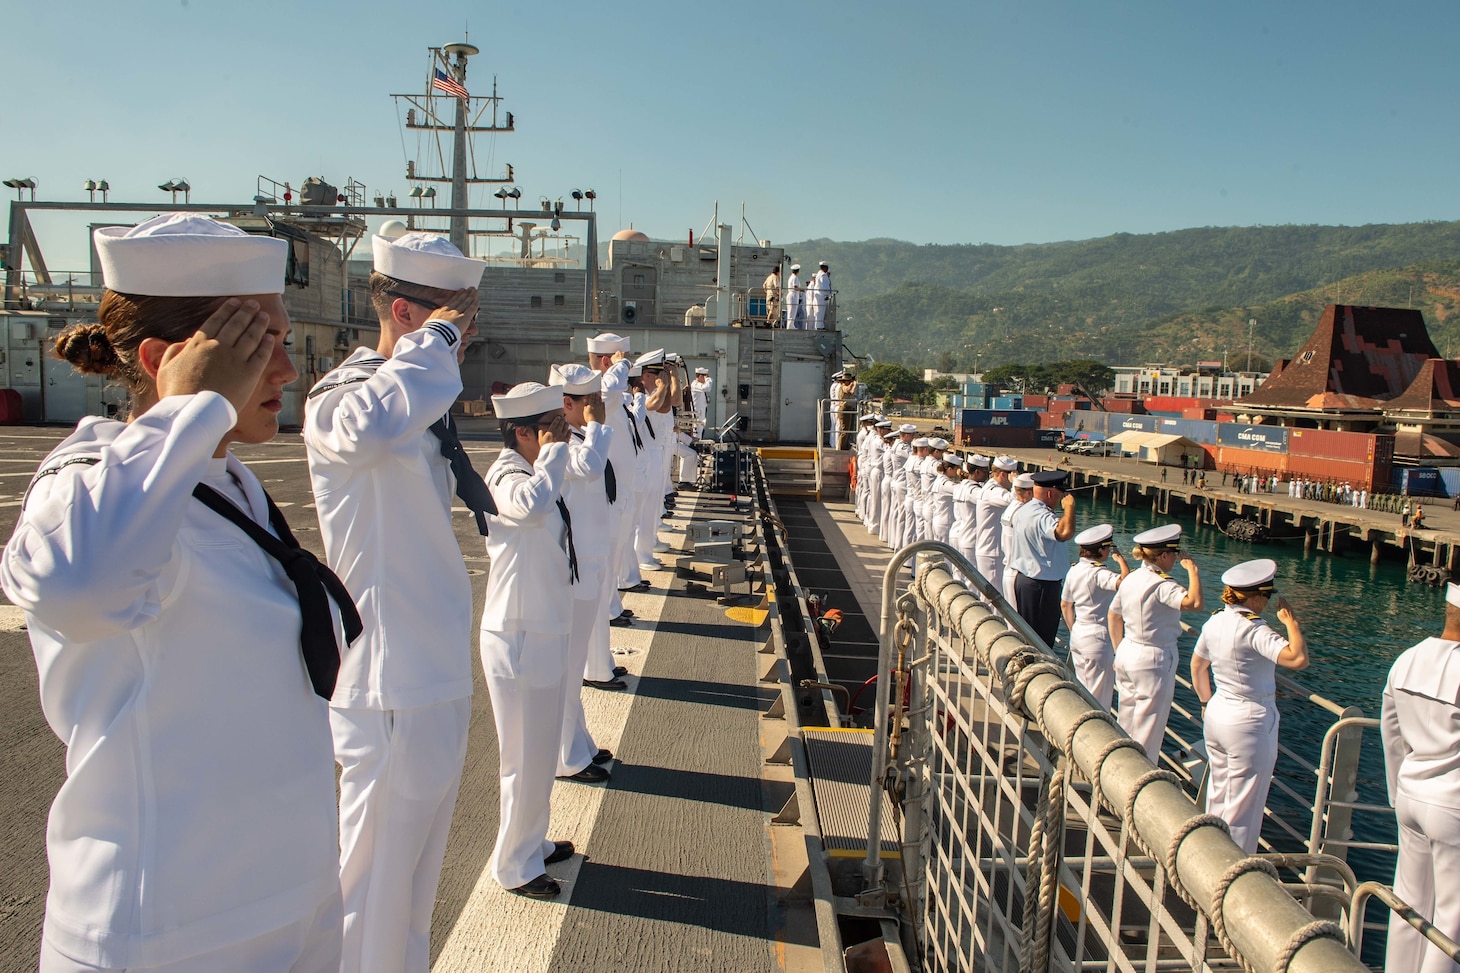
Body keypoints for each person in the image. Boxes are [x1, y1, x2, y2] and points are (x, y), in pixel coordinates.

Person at [3, 215, 357, 972]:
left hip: (292, 904)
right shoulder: (90, 486)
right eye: (261, 349)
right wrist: (185, 411)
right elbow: (78, 584)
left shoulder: (228, 479)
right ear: (171, 362)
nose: (288, 372)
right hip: (166, 933)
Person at [304, 231, 483, 973]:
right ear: (406, 313)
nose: (461, 346)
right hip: (385, 685)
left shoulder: (417, 401)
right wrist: (438, 337)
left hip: (432, 675)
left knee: (410, 909)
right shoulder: (344, 397)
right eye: (455, 326)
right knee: (371, 904)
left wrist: (431, 341)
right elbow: (369, 425)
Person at [480, 382, 579, 900]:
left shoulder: (535, 469)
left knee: (539, 753)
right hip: (518, 634)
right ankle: (514, 865)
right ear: (523, 431)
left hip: (542, 626)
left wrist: (557, 450)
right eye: (551, 427)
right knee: (521, 757)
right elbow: (533, 508)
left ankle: (533, 841)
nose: (562, 434)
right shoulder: (507, 474)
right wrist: (558, 452)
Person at [1191, 558, 1308, 853]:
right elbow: (1297, 658)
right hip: (1250, 720)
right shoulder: (1253, 628)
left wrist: (1205, 702)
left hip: (1218, 712)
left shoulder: (1215, 620)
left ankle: (1207, 857)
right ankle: (1233, 873)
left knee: (1218, 794)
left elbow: (1197, 666)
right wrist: (1291, 623)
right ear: (1257, 597)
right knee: (1245, 807)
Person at [1382, 582, 1460, 973]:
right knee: (1452, 922)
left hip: (1411, 794)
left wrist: (1398, 790)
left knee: (1407, 904)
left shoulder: (1408, 658)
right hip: (1454, 804)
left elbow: (1390, 731)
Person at [549, 363, 621, 774]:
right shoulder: (562, 444)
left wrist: (592, 426)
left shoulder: (580, 438)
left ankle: (579, 745)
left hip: (589, 561)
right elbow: (590, 467)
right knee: (567, 667)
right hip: (574, 568)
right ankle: (565, 757)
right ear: (567, 404)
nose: (597, 407)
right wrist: (596, 426)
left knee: (573, 667)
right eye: (589, 401)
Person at [1110, 524, 1203, 763]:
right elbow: (1193, 603)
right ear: (1163, 556)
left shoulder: (1132, 579)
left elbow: (1114, 615)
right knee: (1148, 730)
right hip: (1153, 658)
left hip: (1127, 650)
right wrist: (1193, 571)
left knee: (1126, 720)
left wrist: (1119, 650)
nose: (1175, 558)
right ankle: (1136, 782)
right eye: (1173, 553)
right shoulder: (1162, 584)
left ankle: (1118, 769)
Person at [1060, 524, 1130, 709]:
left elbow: (1066, 605)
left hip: (1078, 633)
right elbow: (1125, 582)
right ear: (1100, 550)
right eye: (1108, 547)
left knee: (1082, 690)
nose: (1109, 551)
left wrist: (1073, 629)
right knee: (1099, 698)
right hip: (1097, 637)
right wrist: (1121, 560)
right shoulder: (1099, 573)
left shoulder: (1074, 570)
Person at [1009, 469, 1078, 648]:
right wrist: (1069, 508)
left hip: (1028, 580)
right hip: (1041, 585)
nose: (1061, 498)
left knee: (1029, 635)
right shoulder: (1042, 516)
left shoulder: (1025, 510)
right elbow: (1063, 533)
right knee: (1041, 642)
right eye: (1060, 494)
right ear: (1050, 493)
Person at [974, 456, 1016, 594]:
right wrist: (1016, 484)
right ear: (1004, 474)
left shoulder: (991, 488)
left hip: (992, 549)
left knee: (994, 596)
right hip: (992, 551)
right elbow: (1013, 500)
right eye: (1013, 474)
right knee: (994, 597)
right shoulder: (993, 491)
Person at [689, 366, 713, 438]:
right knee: (697, 434)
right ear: (700, 376)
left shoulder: (699, 385)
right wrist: (708, 379)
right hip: (697, 414)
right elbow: (707, 388)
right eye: (705, 377)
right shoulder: (695, 385)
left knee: (700, 432)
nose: (705, 379)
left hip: (700, 413)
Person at [807, 260, 832, 330]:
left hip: (818, 296)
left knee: (817, 312)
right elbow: (825, 286)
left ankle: (817, 326)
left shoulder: (818, 274)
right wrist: (827, 295)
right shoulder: (823, 275)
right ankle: (819, 326)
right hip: (822, 296)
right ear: (824, 268)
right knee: (820, 311)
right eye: (826, 268)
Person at [785, 263, 805, 329]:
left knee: (792, 310)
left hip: (793, 294)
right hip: (793, 295)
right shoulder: (795, 277)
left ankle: (791, 325)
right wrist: (802, 290)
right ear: (797, 271)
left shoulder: (792, 277)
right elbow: (795, 287)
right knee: (792, 310)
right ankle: (790, 325)